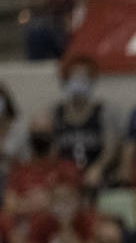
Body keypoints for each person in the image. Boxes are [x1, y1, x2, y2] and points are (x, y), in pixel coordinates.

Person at [50, 56, 123, 192]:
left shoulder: (104, 111)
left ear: (92, 81)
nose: (78, 82)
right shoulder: (56, 112)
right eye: (74, 77)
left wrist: (98, 167)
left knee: (94, 183)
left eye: (83, 78)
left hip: (95, 171)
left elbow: (111, 149)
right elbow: (53, 149)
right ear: (66, 81)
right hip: (65, 173)